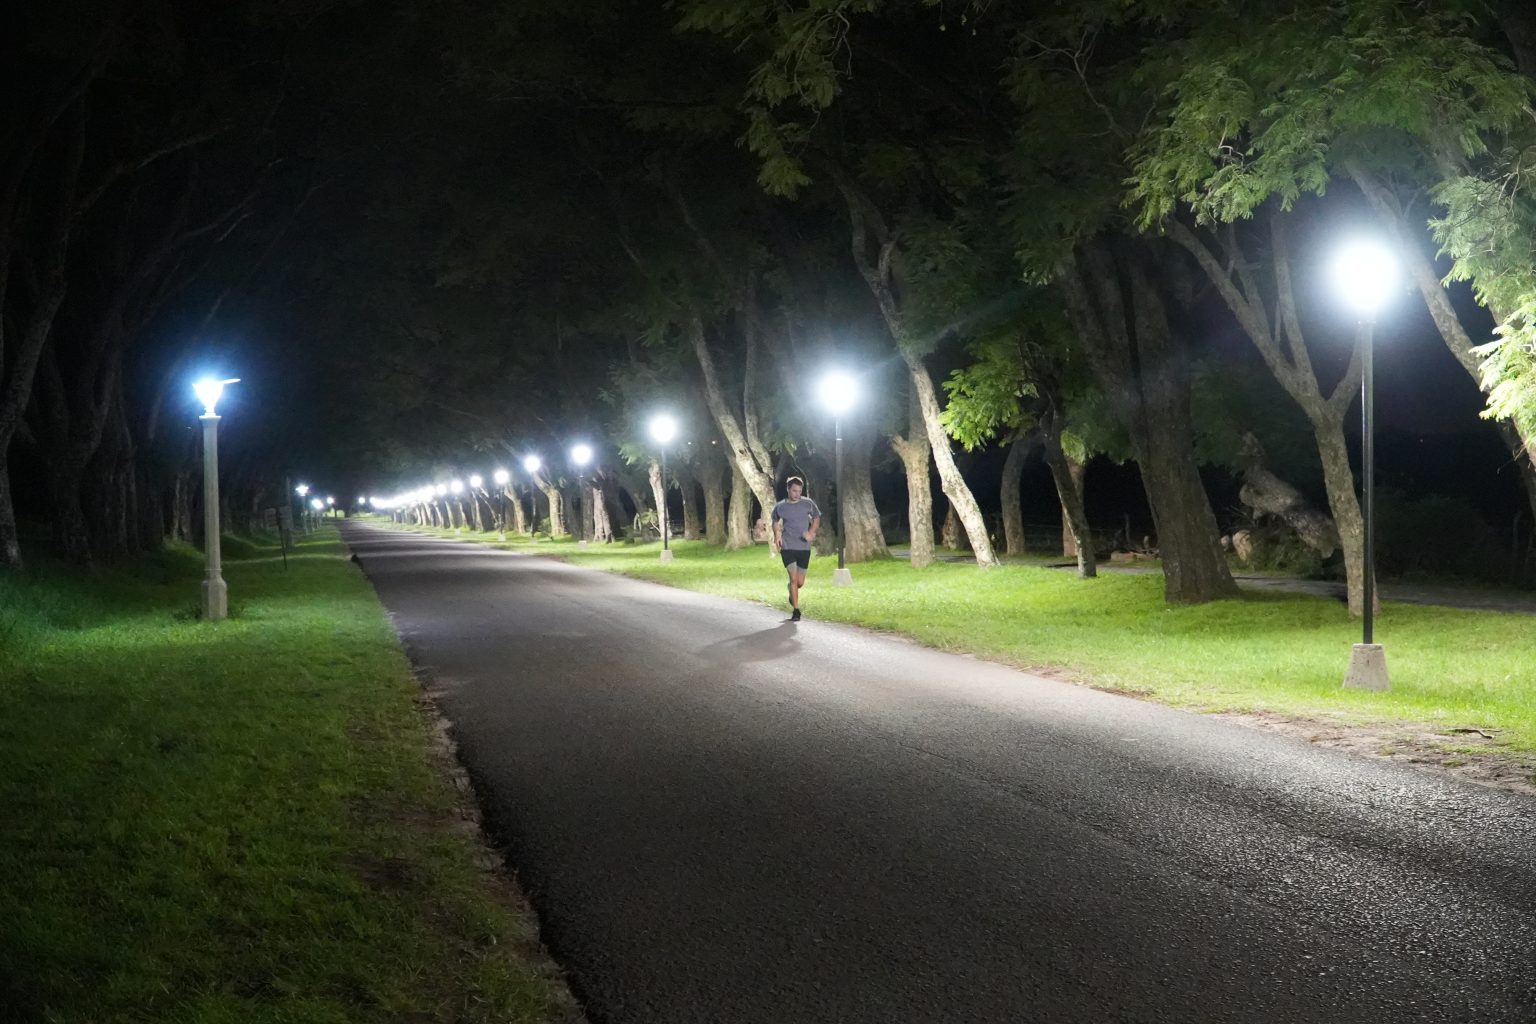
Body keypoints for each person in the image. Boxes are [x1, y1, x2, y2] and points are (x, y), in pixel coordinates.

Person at [771, 476, 821, 621]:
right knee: (793, 578)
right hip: (787, 546)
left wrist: (811, 532)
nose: (797, 494)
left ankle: (791, 590)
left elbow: (817, 518)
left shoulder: (808, 503)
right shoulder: (780, 506)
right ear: (788, 489)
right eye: (794, 491)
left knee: (799, 582)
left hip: (804, 547)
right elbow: (775, 520)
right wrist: (777, 535)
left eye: (799, 491)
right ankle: (796, 610)